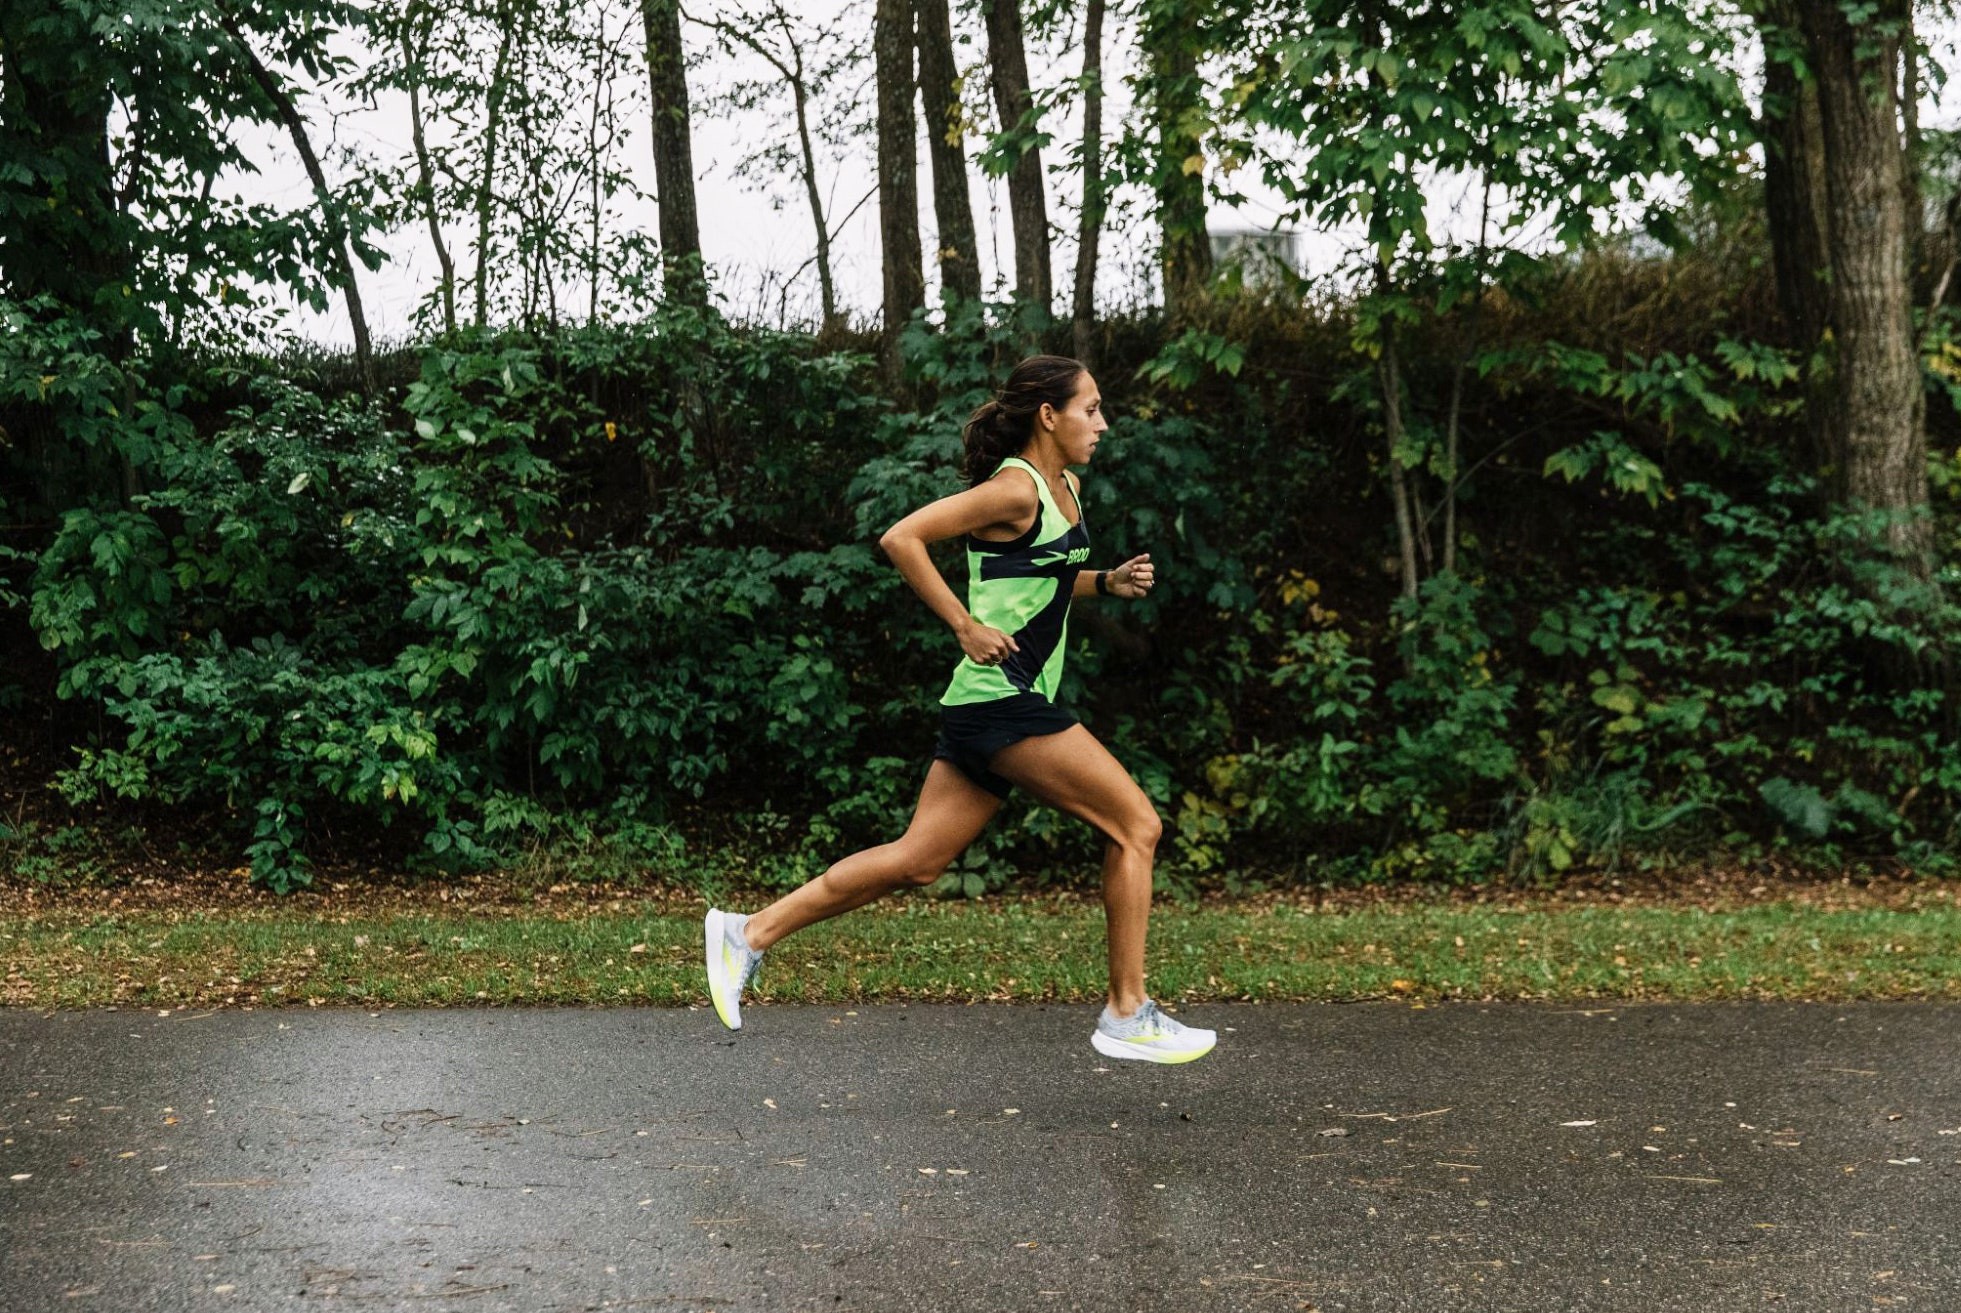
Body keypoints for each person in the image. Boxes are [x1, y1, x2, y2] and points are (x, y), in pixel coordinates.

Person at [703, 354, 1215, 1064]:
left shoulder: (1065, 488)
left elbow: (1040, 576)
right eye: (1091, 409)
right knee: (1136, 826)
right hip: (1005, 700)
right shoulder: (1013, 488)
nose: (1103, 424)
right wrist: (963, 625)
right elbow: (901, 537)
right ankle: (1127, 1011)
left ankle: (747, 932)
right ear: (1048, 416)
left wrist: (1106, 580)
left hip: (989, 704)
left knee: (917, 860)